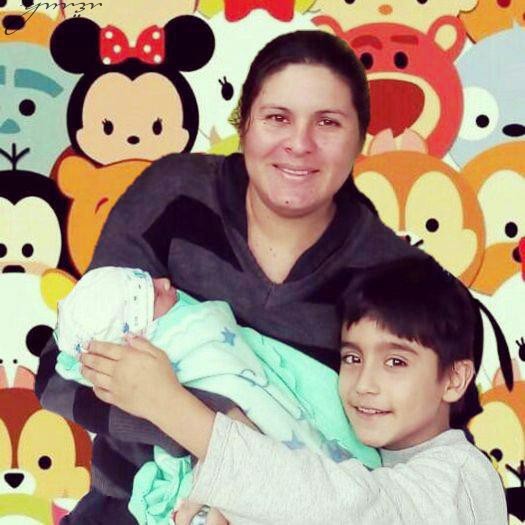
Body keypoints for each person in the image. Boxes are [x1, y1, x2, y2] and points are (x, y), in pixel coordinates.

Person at [36, 29, 421, 523]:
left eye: (328, 122)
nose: (299, 144)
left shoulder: (396, 278)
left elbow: (421, 469)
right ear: (244, 126)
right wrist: (196, 429)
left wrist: (235, 468)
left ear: (360, 138)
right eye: (277, 117)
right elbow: (59, 373)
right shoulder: (173, 197)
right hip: (126, 508)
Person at [83, 257, 507, 525]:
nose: (364, 384)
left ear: (454, 379)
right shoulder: (369, 459)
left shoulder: (463, 477)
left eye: (396, 362)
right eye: (352, 358)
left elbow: (356, 509)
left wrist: (171, 407)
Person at [54, 266, 378, 523]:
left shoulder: (198, 328)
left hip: (267, 467)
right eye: (153, 293)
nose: (166, 282)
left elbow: (234, 406)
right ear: (137, 336)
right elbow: (54, 389)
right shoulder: (168, 343)